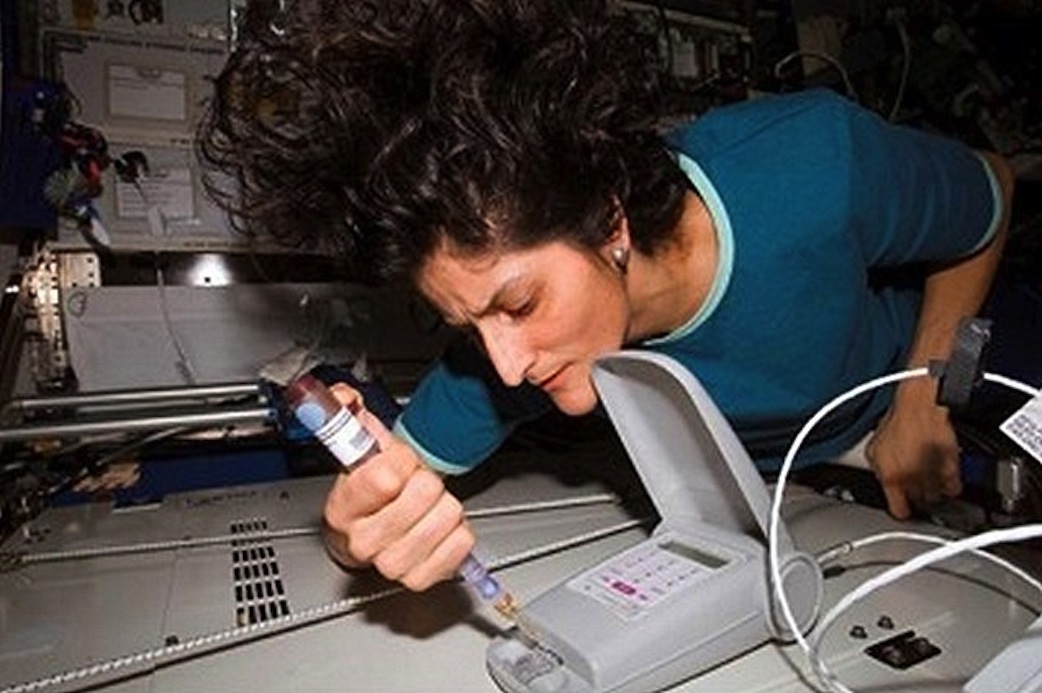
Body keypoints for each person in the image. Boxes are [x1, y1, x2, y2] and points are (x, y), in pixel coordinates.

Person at [198, 0, 1014, 592]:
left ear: (607, 219)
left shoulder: (817, 165)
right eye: (472, 326)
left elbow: (993, 194)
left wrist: (924, 393)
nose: (507, 367)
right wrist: (353, 533)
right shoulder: (503, 358)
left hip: (908, 404)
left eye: (517, 304)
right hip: (787, 500)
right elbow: (391, 485)